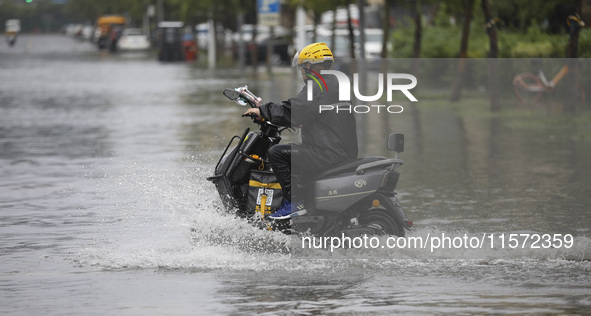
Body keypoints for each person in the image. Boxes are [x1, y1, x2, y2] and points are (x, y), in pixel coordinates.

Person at [244, 42, 358, 220]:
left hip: (328, 152)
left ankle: (294, 204)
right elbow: (319, 114)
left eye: (304, 67)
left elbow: (294, 108)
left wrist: (263, 111)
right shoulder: (335, 83)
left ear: (313, 65)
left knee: (277, 153)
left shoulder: (319, 86)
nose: (303, 71)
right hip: (339, 150)